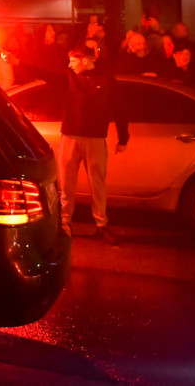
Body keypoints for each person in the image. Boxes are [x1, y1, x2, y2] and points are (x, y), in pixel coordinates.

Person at [58, 45, 129, 245]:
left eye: (72, 61)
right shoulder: (69, 77)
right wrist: (18, 62)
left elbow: (119, 109)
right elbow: (44, 73)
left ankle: (101, 225)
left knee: (98, 184)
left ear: (85, 60)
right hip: (70, 137)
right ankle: (65, 223)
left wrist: (124, 138)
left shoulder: (107, 80)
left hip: (96, 138)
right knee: (66, 185)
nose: (69, 65)